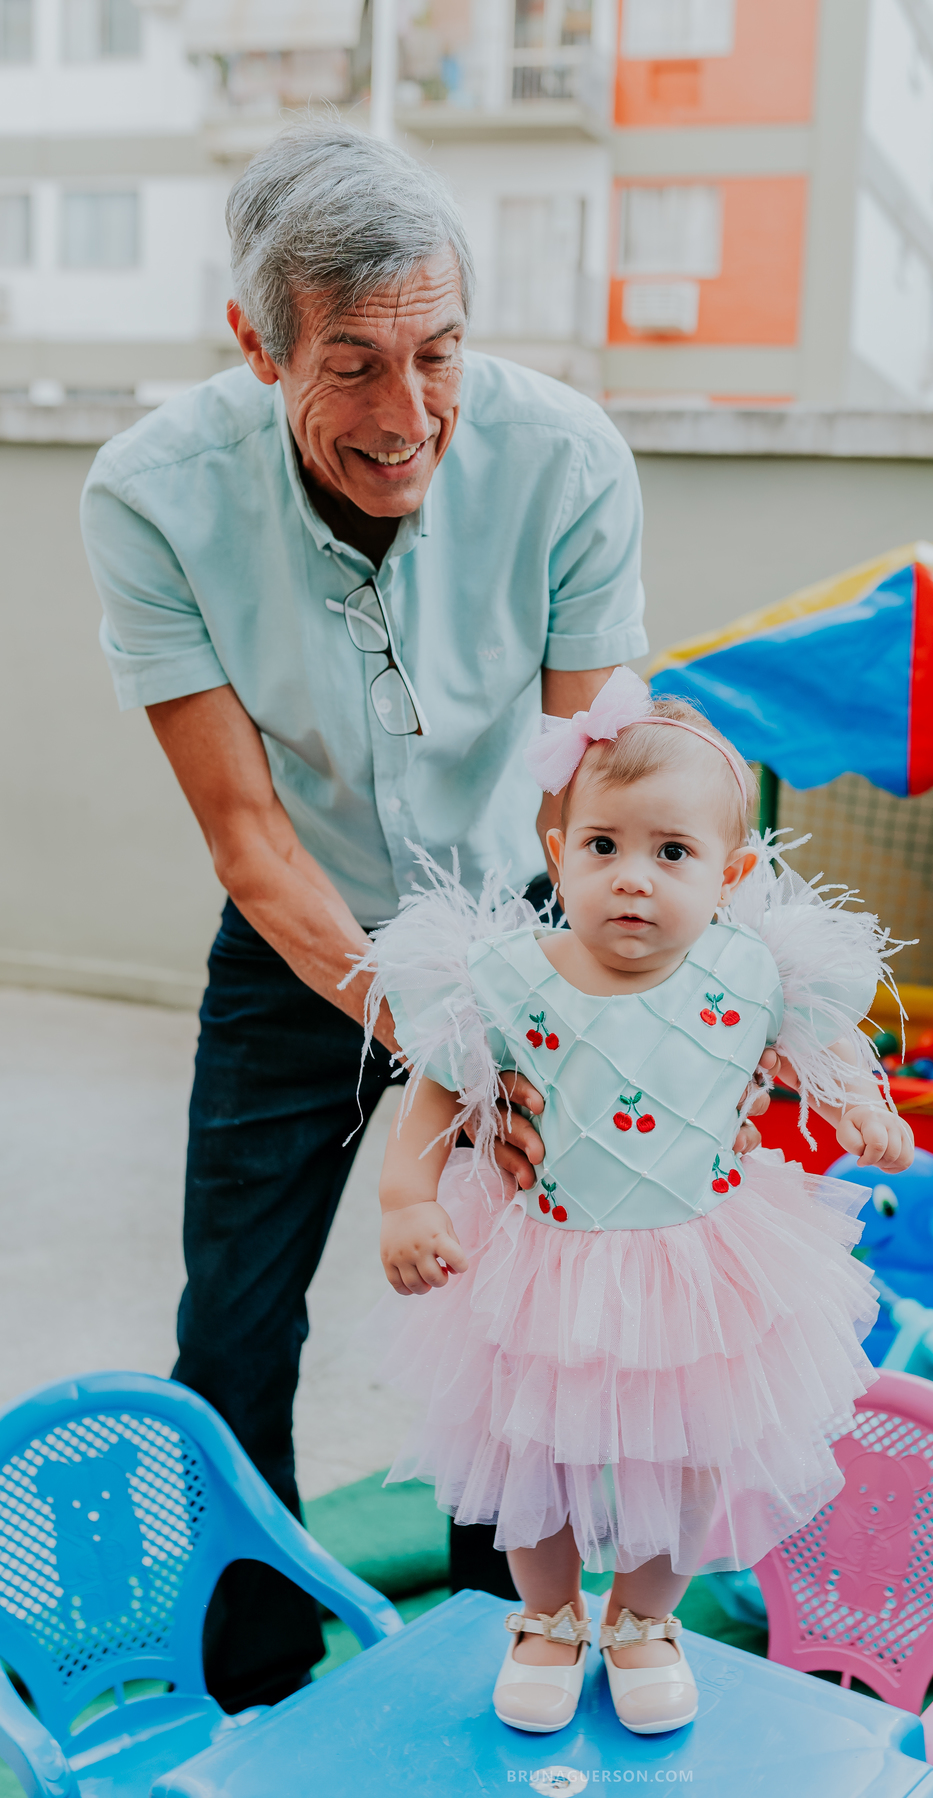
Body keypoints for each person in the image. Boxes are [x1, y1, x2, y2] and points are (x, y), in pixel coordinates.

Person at [79, 121, 658, 1710]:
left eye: (437, 351)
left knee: (516, 1306)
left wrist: (561, 1008)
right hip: (303, 930)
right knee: (233, 1320)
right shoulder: (151, 496)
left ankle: (500, 1649)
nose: (408, 417)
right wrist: (433, 1035)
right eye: (351, 366)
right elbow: (248, 836)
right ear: (256, 342)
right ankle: (254, 1684)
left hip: (521, 915)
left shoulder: (567, 459)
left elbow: (587, 795)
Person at [359, 668, 915, 1737]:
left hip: (699, 1265)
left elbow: (828, 1040)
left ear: (731, 873)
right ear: (558, 851)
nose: (632, 879)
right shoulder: (508, 974)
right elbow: (438, 1083)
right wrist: (404, 1200)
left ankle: (646, 1621)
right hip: (545, 1258)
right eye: (604, 845)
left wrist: (858, 1104)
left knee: (686, 1454)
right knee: (535, 1452)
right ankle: (547, 1618)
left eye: (672, 854)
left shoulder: (752, 969)